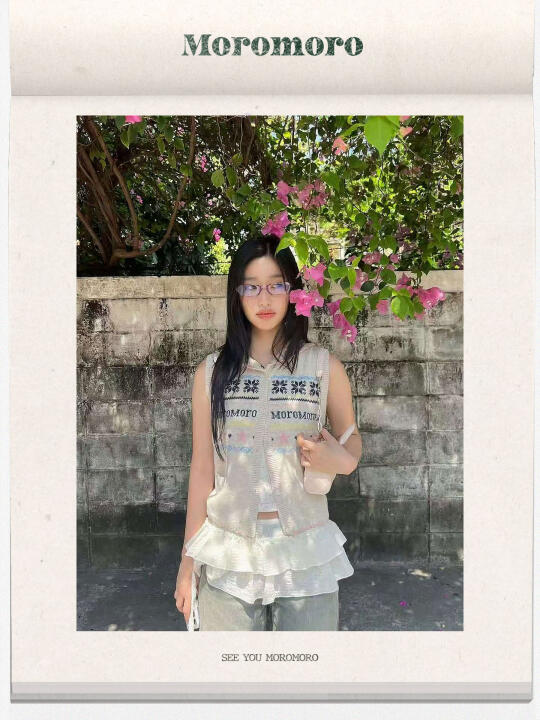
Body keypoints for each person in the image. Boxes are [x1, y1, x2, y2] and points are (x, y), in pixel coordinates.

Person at [174, 233, 362, 631]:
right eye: (252, 287)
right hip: (229, 555)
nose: (264, 299)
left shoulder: (324, 367)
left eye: (276, 285)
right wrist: (188, 562)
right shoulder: (211, 373)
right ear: (237, 294)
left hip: (305, 552)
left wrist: (341, 461)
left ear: (293, 291)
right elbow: (202, 468)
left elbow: (351, 439)